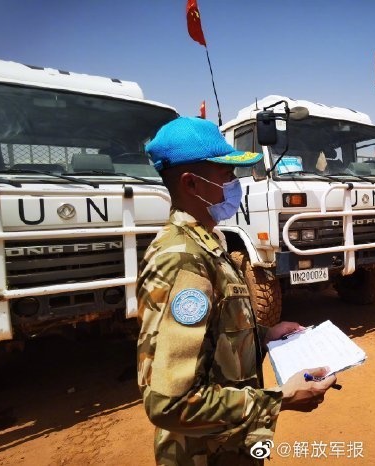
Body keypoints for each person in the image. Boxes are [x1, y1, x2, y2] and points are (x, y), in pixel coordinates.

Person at [137, 116, 337, 465]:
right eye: (226, 175)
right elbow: (170, 403)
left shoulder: (208, 242)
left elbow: (210, 335)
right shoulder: (183, 261)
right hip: (204, 454)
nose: (235, 184)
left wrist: (262, 334)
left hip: (231, 444)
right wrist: (280, 399)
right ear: (191, 184)